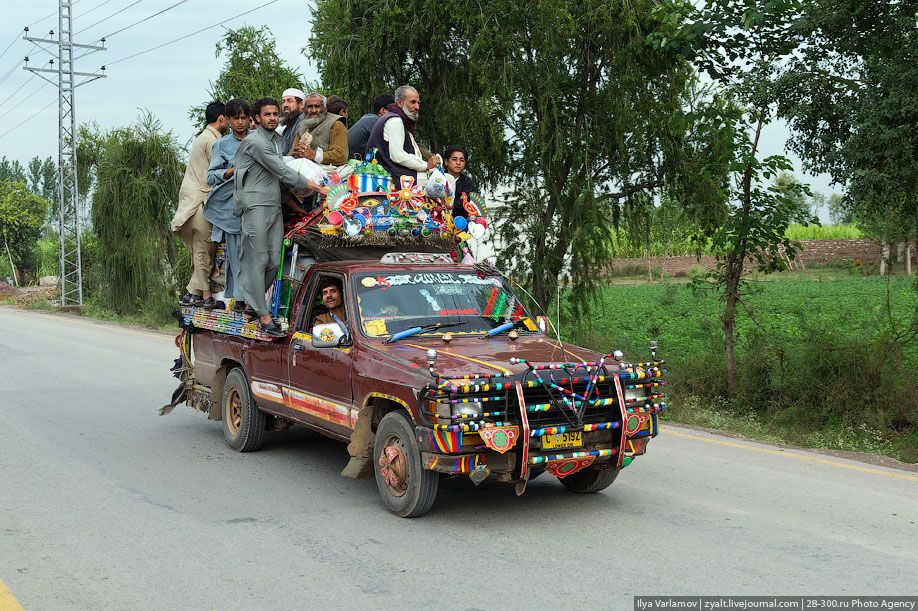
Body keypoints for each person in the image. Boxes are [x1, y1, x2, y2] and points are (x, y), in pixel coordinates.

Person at [233, 97, 325, 337]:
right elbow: (283, 171)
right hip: (255, 207)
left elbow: (277, 179)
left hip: (274, 207)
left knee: (274, 261)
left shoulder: (277, 140)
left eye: (275, 114)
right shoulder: (255, 142)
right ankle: (263, 316)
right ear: (258, 118)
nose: (273, 118)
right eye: (267, 114)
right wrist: (316, 187)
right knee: (258, 260)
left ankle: (253, 304)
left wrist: (298, 207)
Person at [172, 100, 227, 309]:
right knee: (205, 249)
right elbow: (220, 173)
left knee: (199, 250)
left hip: (191, 204)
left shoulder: (201, 138)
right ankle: (204, 296)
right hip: (202, 203)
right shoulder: (215, 142)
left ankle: (192, 292)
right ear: (222, 118)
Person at [204, 98, 249, 313]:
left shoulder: (258, 141)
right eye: (236, 118)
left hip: (258, 204)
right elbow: (211, 178)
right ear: (228, 120)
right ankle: (240, 300)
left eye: (244, 118)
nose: (240, 122)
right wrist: (231, 171)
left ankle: (254, 297)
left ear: (250, 119)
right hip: (232, 207)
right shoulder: (221, 145)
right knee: (237, 253)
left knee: (256, 254)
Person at [365, 85, 440, 185]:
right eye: (413, 102)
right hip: (390, 176)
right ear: (400, 102)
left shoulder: (396, 119)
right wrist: (426, 165)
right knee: (442, 181)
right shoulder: (395, 120)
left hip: (392, 172)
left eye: (418, 103)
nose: (417, 107)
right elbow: (398, 156)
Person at [290, 93, 348, 167]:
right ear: (304, 109)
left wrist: (315, 155)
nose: (314, 110)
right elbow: (293, 153)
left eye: (317, 106)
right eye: (310, 107)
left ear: (325, 108)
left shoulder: (336, 124)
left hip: (328, 173)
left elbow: (341, 156)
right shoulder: (303, 127)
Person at [347, 93, 393, 158]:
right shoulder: (375, 122)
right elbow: (387, 149)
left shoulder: (368, 118)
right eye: (393, 111)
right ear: (383, 110)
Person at [443, 145, 479, 219]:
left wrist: (451, 204)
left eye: (462, 160)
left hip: (461, 223)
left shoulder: (468, 182)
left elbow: (466, 202)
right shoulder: (438, 178)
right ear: (446, 162)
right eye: (454, 159)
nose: (458, 163)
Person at [279, 88, 305, 155]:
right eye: (283, 102)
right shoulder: (289, 124)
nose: (285, 105)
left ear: (301, 104)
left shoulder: (303, 122)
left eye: (289, 101)